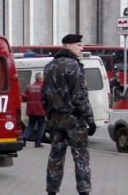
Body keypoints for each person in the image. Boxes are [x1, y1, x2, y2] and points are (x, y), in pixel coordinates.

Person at [41, 34, 96, 195]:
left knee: (55, 155)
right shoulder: (74, 66)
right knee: (81, 157)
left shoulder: (49, 66)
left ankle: (51, 190)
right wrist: (90, 118)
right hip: (74, 119)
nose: (82, 48)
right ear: (69, 45)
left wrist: (49, 113)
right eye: (79, 45)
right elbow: (80, 96)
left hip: (55, 119)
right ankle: (84, 191)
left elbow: (43, 95)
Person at [22, 72, 46, 148]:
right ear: (41, 78)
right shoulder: (44, 87)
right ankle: (37, 143)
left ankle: (24, 136)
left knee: (30, 125)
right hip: (41, 110)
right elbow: (47, 98)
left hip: (31, 110)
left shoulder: (29, 87)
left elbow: (24, 98)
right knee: (41, 126)